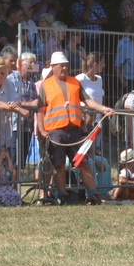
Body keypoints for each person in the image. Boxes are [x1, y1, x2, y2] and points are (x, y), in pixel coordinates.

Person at [35, 51, 113, 201]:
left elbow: (89, 101)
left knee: (83, 163)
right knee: (58, 165)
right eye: (61, 66)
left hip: (74, 130)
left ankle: (92, 193)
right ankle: (63, 195)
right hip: (55, 131)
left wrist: (104, 109)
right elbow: (40, 109)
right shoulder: (46, 85)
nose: (64, 68)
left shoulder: (74, 82)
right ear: (53, 67)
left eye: (66, 66)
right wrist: (42, 130)